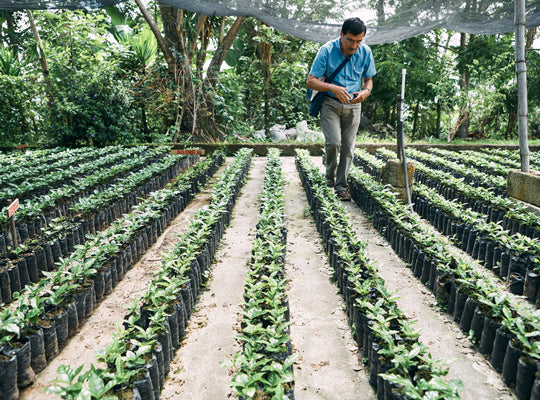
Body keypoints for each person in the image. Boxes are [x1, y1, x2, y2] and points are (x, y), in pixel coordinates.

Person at [306, 17, 376, 201]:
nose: (354, 46)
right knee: (334, 142)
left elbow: (369, 79)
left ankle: (341, 186)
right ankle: (330, 173)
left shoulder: (366, 52)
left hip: (354, 105)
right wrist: (332, 87)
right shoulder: (327, 51)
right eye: (350, 40)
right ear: (341, 35)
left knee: (348, 148)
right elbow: (311, 80)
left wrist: (366, 92)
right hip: (330, 103)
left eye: (359, 41)